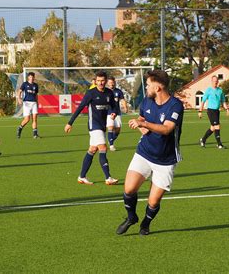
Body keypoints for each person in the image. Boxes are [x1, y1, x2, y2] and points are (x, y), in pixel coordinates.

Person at [116, 69, 184, 236]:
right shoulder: (147, 101)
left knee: (153, 202)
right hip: (144, 153)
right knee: (129, 189)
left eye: (148, 85)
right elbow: (141, 119)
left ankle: (146, 223)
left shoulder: (175, 105)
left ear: (158, 88)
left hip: (166, 160)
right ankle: (131, 217)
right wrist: (140, 124)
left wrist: (145, 125)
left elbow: (167, 128)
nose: (146, 88)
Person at [64, 71, 118, 186]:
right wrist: (70, 123)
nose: (100, 83)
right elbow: (80, 108)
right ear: (96, 81)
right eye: (98, 81)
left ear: (106, 80)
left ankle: (82, 176)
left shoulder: (109, 93)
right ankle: (108, 177)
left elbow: (114, 107)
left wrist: (113, 113)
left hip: (102, 126)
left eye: (102, 81)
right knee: (103, 148)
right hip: (94, 125)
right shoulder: (91, 93)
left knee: (92, 150)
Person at [198, 76, 229, 149]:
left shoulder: (220, 91)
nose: (215, 82)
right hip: (210, 110)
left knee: (212, 128)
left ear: (218, 82)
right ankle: (219, 144)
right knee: (217, 126)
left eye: (216, 81)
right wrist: (200, 111)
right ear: (211, 81)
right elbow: (203, 101)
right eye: (214, 81)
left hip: (217, 111)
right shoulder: (208, 90)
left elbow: (223, 101)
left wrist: (227, 109)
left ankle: (203, 140)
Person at [106, 77, 128, 151]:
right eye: (110, 82)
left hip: (117, 113)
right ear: (107, 83)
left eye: (112, 82)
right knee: (110, 127)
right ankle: (111, 145)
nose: (111, 84)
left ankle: (110, 140)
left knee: (117, 130)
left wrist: (125, 107)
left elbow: (122, 100)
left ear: (114, 82)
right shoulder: (105, 91)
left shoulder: (118, 91)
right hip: (108, 113)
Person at [17, 72, 40, 139]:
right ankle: (20, 128)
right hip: (26, 103)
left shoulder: (36, 85)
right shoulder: (25, 84)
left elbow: (36, 95)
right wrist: (19, 98)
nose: (31, 78)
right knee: (27, 119)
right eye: (30, 77)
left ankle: (35, 134)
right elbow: (19, 91)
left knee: (35, 118)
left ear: (34, 78)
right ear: (28, 77)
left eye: (33, 77)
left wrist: (37, 102)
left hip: (34, 103)